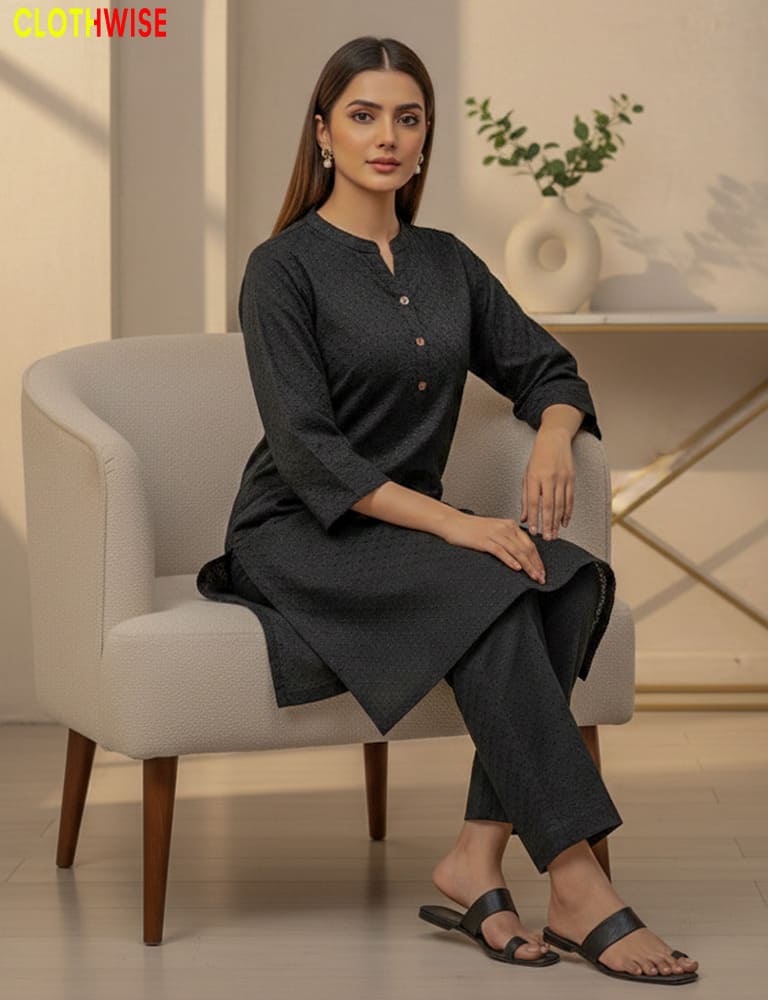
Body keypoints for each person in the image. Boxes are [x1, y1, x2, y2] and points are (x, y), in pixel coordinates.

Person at [196, 35, 699, 985]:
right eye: (364, 115)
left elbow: (549, 365)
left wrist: (553, 434)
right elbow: (309, 452)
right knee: (499, 574)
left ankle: (474, 858)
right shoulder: (282, 267)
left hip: (403, 533)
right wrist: (464, 524)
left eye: (408, 117)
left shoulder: (445, 261)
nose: (387, 136)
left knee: (565, 574)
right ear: (324, 133)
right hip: (299, 532)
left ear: (425, 141)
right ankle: (576, 875)